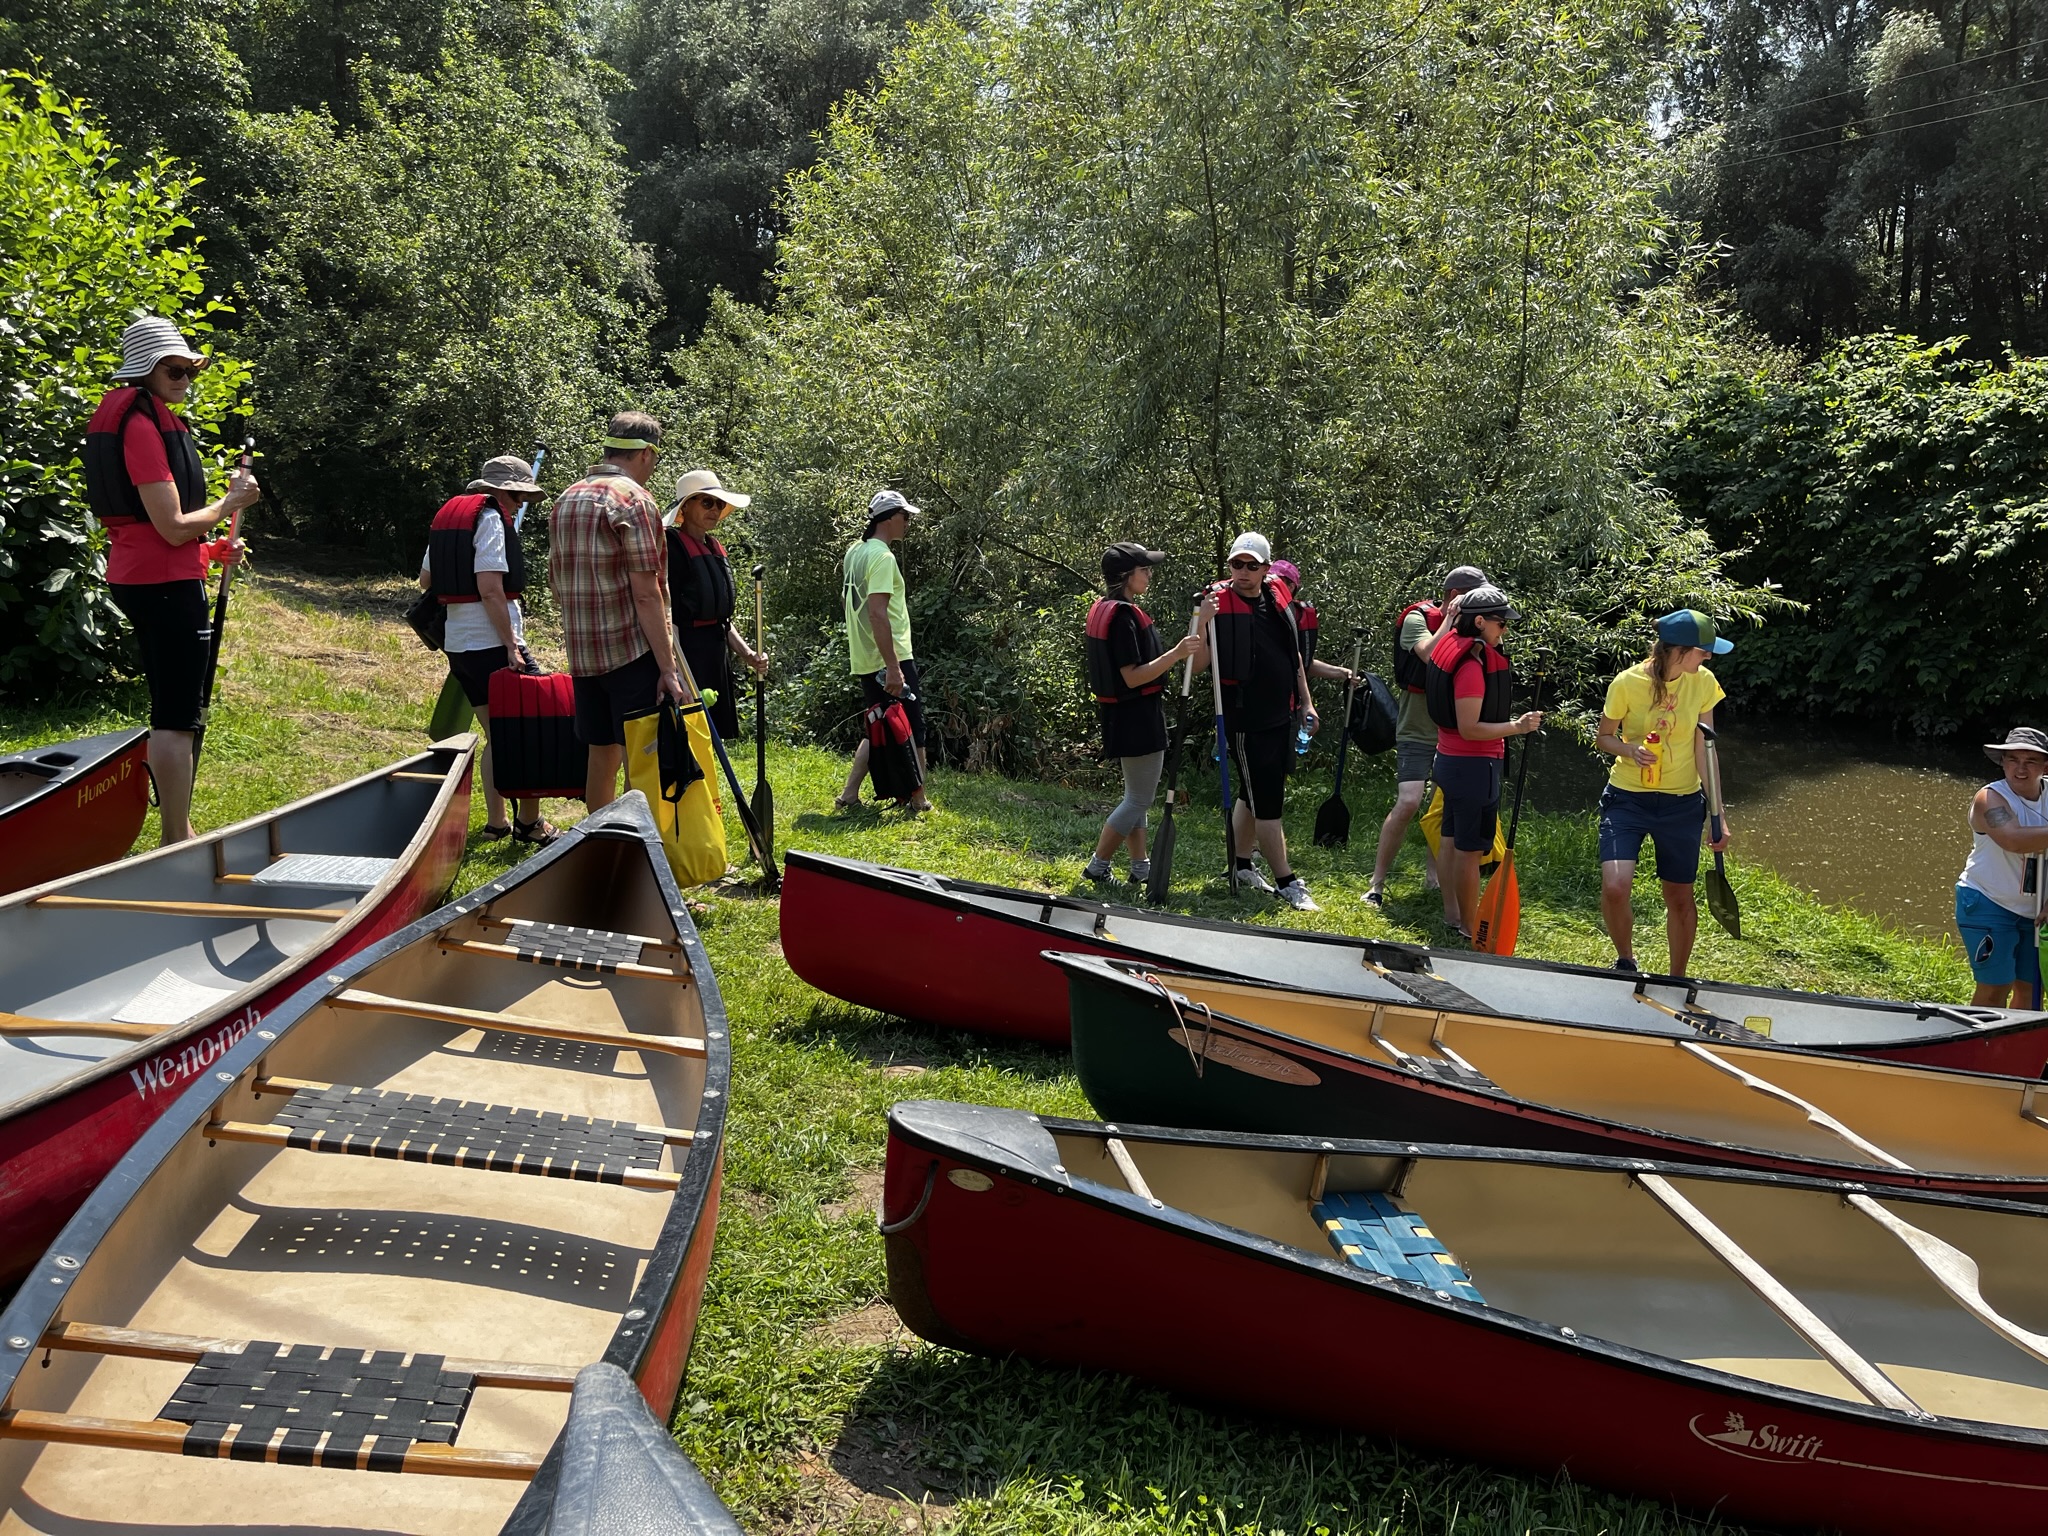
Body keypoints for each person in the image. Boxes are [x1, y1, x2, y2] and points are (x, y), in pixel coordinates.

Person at [83, 316, 259, 846]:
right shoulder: (141, 427)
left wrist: (210, 549)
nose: (184, 379)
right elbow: (173, 525)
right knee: (177, 716)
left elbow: (162, 534)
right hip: (161, 584)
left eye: (189, 370)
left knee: (172, 705)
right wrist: (229, 503)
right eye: (173, 370)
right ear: (145, 371)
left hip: (148, 575)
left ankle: (179, 827)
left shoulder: (145, 418)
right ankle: (174, 840)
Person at [548, 411, 686, 809]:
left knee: (601, 753)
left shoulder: (566, 498)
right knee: (642, 757)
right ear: (646, 453)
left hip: (584, 655)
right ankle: (643, 841)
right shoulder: (634, 500)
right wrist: (668, 668)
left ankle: (600, 839)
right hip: (631, 653)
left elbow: (556, 583)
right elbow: (647, 594)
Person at [418, 453, 555, 845]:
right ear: (503, 492)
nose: (520, 504)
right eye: (519, 496)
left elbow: (426, 579)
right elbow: (491, 588)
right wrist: (512, 645)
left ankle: (498, 823)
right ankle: (530, 824)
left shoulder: (451, 517)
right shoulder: (491, 518)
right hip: (493, 644)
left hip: (459, 645)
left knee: (498, 734)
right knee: (527, 732)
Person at [1592, 610, 1734, 976]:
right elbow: (1604, 737)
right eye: (1703, 651)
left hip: (1682, 804)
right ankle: (1625, 961)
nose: (1708, 657)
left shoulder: (1703, 682)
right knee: (1616, 886)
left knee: (1680, 896)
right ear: (1679, 651)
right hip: (1627, 798)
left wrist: (1718, 815)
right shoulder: (1627, 682)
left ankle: (1676, 978)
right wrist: (1630, 750)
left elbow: (1706, 750)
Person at [1208, 532, 1341, 911]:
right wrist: (1201, 622)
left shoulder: (1276, 600)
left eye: (1252, 565)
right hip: (1245, 719)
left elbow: (1294, 658)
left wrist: (1306, 703)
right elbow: (1200, 662)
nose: (1243, 571)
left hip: (1279, 714)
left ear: (1266, 569)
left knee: (1251, 794)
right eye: (1237, 564)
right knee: (1268, 803)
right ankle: (1287, 882)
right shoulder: (1217, 604)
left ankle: (1240, 865)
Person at [1082, 543, 1209, 885]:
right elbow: (1133, 677)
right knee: (1139, 799)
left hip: (1122, 716)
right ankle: (1097, 867)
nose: (1149, 575)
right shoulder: (1123, 618)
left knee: (1135, 797)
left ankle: (1140, 868)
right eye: (1145, 570)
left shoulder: (1111, 609)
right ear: (1126, 575)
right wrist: (1177, 653)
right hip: (1137, 717)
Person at [1366, 565, 1489, 911]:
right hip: (1416, 728)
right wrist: (1450, 620)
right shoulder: (1417, 618)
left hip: (1453, 733)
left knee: (1443, 809)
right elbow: (1431, 654)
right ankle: (1377, 883)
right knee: (1409, 801)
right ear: (1455, 596)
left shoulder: (1478, 625)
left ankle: (1434, 878)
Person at [1425, 584, 1542, 940]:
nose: (1504, 630)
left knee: (1450, 839)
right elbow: (1471, 728)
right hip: (1473, 768)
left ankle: (1453, 916)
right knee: (1470, 851)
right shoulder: (1472, 666)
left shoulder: (1451, 644)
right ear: (1479, 622)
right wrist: (1518, 727)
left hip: (1449, 761)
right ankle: (1469, 925)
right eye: (1500, 624)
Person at [838, 489, 932, 813]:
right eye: (905, 517)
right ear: (890, 518)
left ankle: (849, 794)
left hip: (866, 656)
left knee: (879, 722)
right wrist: (893, 667)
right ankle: (918, 800)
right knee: (912, 727)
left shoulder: (856, 552)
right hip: (890, 657)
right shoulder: (882, 557)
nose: (907, 523)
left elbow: (849, 601)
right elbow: (877, 613)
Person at [665, 468, 768, 741]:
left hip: (715, 652)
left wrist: (748, 655)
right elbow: (669, 616)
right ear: (685, 507)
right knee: (688, 735)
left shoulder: (714, 547)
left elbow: (721, 619)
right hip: (688, 651)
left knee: (713, 736)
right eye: (707, 502)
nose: (715, 509)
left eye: (719, 504)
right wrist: (678, 672)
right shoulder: (672, 548)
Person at [1954, 728, 2048, 1008]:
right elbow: (2013, 840)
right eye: (2012, 760)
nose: (2020, 769)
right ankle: (1980, 1037)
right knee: (1996, 987)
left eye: (2030, 761)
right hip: (1989, 900)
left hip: (2036, 909)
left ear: (2045, 766)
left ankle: (2020, 1038)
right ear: (2002, 762)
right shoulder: (1990, 798)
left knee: (2032, 988)